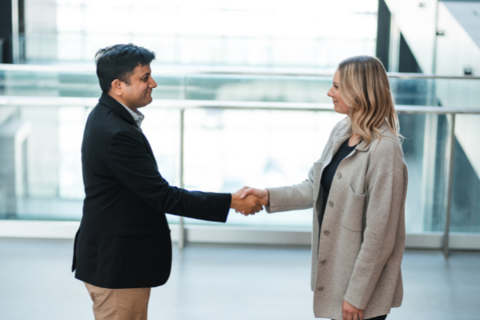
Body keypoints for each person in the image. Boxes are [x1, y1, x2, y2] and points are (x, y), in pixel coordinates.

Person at [72, 43, 263, 320]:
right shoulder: (116, 132)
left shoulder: (107, 116)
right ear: (117, 85)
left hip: (113, 257)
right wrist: (232, 201)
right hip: (116, 265)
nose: (154, 83)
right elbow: (163, 196)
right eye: (144, 78)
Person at [240, 56, 408, 320]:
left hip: (360, 292)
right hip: (338, 280)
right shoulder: (342, 130)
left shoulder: (385, 151)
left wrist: (357, 296)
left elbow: (380, 236)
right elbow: (313, 187)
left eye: (337, 87)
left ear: (359, 91)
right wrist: (268, 196)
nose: (330, 93)